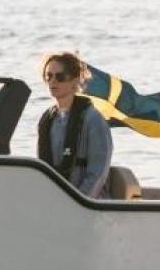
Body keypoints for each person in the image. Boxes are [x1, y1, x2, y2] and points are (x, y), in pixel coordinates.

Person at [36, 51, 111, 196]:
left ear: (75, 81)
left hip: (88, 202)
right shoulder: (46, 120)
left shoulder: (93, 120)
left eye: (60, 76)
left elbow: (98, 174)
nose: (53, 81)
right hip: (54, 200)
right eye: (48, 76)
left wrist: (77, 202)